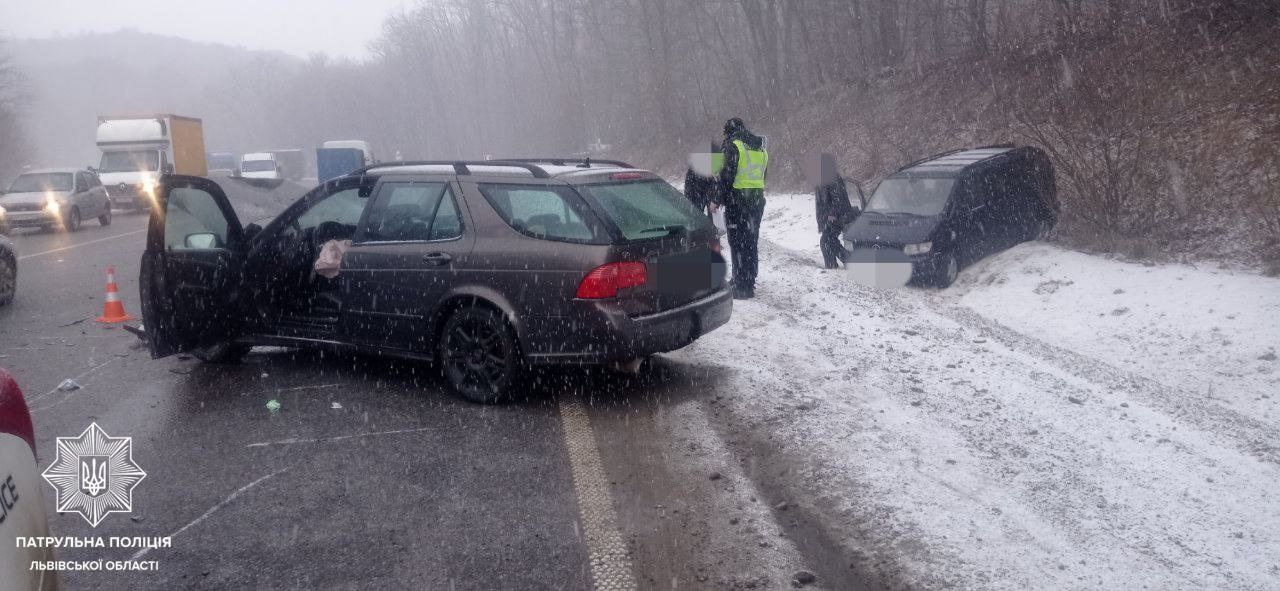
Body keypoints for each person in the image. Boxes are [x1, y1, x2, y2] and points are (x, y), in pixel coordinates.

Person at [712, 118, 768, 299]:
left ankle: (743, 285)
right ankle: (746, 279)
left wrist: (716, 199)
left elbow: (726, 177)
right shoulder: (760, 147)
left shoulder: (734, 146)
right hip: (756, 202)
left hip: (738, 203)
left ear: (728, 132)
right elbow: (763, 174)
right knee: (750, 242)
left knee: (737, 243)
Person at [812, 153, 859, 269]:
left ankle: (844, 262)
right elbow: (820, 203)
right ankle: (833, 265)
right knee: (827, 241)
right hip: (828, 217)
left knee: (827, 241)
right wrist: (822, 220)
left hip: (837, 216)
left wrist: (832, 214)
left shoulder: (833, 178)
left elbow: (839, 198)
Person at [684, 142, 722, 214]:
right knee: (696, 215)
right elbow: (689, 187)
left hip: (706, 196)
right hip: (696, 195)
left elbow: (719, 184)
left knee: (710, 217)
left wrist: (715, 200)